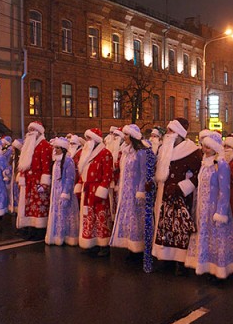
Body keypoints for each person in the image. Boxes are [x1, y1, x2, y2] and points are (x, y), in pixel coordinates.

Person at [185, 132, 233, 281]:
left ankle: (219, 269)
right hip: (202, 207)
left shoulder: (221, 164)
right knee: (206, 236)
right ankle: (206, 265)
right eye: (204, 146)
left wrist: (221, 211)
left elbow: (225, 190)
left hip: (215, 208)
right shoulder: (204, 163)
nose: (204, 149)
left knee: (218, 238)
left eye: (208, 147)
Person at [152, 118, 203, 275]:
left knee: (180, 228)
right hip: (164, 194)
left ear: (179, 134)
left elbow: (198, 175)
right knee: (164, 226)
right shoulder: (164, 150)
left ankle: (181, 261)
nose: (167, 134)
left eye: (170, 131)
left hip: (182, 198)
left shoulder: (192, 151)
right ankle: (165, 257)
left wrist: (182, 187)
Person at [110, 124, 149, 259]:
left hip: (135, 191)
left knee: (136, 219)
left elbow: (144, 173)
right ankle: (129, 245)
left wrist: (141, 191)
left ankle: (139, 248)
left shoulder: (141, 152)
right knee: (128, 218)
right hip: (125, 191)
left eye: (127, 135)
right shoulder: (126, 151)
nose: (124, 137)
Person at [77, 128, 114, 256]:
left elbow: (107, 174)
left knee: (101, 217)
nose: (87, 141)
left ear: (95, 140)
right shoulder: (86, 153)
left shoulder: (105, 153)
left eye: (89, 139)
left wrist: (102, 189)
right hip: (87, 190)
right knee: (89, 217)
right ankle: (91, 243)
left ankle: (103, 245)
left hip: (98, 191)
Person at [17, 121, 52, 240]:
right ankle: (30, 227)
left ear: (39, 132)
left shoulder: (44, 146)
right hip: (29, 181)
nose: (30, 133)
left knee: (39, 206)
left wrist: (44, 183)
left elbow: (46, 165)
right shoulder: (29, 145)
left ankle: (40, 230)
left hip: (38, 181)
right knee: (30, 206)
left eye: (33, 130)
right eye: (29, 130)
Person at [45, 137, 79, 246]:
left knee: (65, 214)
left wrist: (65, 193)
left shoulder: (68, 161)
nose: (55, 150)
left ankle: (66, 236)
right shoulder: (56, 161)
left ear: (63, 149)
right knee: (57, 213)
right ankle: (56, 236)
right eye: (55, 147)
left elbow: (70, 178)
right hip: (55, 192)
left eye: (58, 148)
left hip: (64, 192)